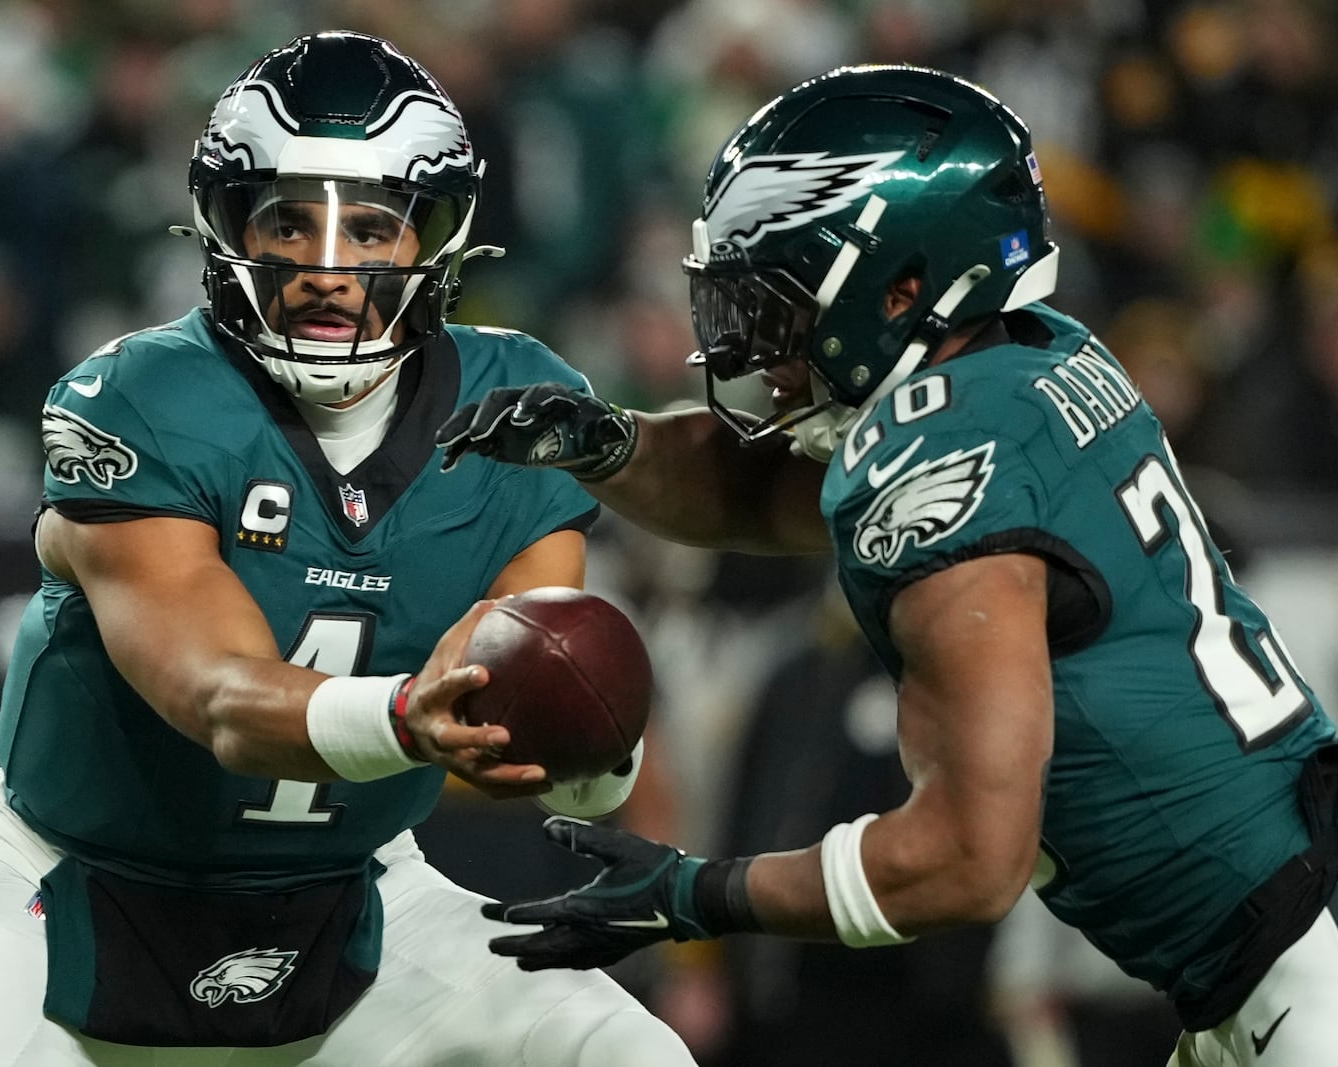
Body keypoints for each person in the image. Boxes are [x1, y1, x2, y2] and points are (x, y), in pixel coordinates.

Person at [436, 64, 1338, 1066]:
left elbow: (965, 858)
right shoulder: (1034, 353)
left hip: (1299, 966)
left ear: (903, 286)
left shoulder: (941, 466)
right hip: (1269, 944)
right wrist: (606, 441)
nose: (753, 346)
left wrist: (694, 893)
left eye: (775, 303)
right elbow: (777, 491)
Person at [0, 31, 692, 1067]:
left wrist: (592, 753)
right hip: (71, 897)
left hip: (355, 893)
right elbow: (220, 698)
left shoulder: (514, 406)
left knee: (629, 1054)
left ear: (434, 238)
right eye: (291, 221)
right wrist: (403, 717)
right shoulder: (142, 399)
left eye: (371, 227)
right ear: (226, 225)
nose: (330, 270)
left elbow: (539, 719)